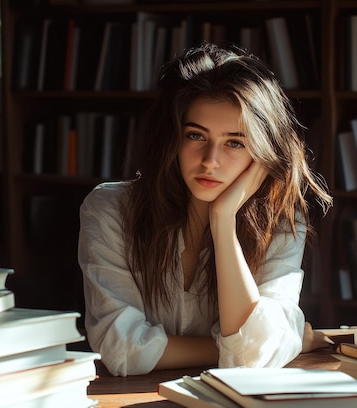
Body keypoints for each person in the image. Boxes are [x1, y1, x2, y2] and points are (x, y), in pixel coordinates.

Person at [78, 43, 333, 377]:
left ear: (262, 153)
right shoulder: (110, 210)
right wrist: (248, 345)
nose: (210, 160)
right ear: (172, 138)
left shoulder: (281, 221)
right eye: (196, 135)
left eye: (235, 142)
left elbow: (250, 362)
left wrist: (223, 221)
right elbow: (120, 349)